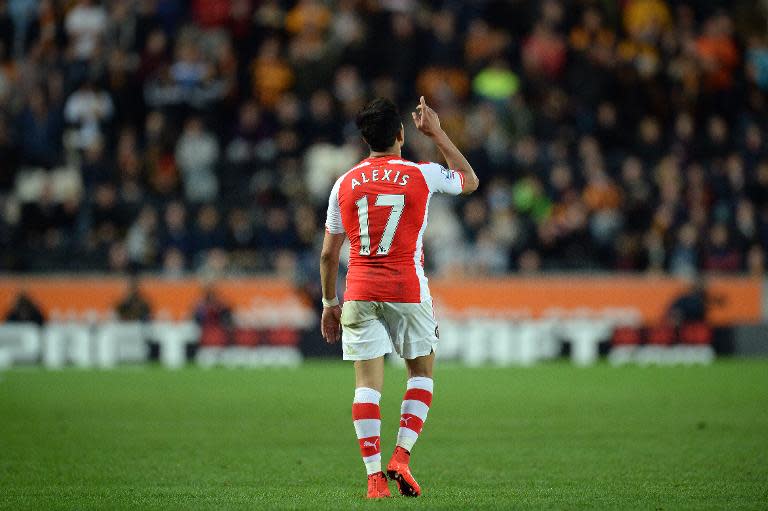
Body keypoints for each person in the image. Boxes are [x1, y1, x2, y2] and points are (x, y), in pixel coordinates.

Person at [319, 97, 479, 499]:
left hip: (359, 290)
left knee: (367, 387)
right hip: (408, 289)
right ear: (401, 135)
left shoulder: (344, 184)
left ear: (364, 139)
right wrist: (438, 132)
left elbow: (328, 254)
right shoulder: (421, 175)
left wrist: (328, 304)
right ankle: (401, 458)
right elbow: (469, 179)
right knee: (421, 374)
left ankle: (374, 478)